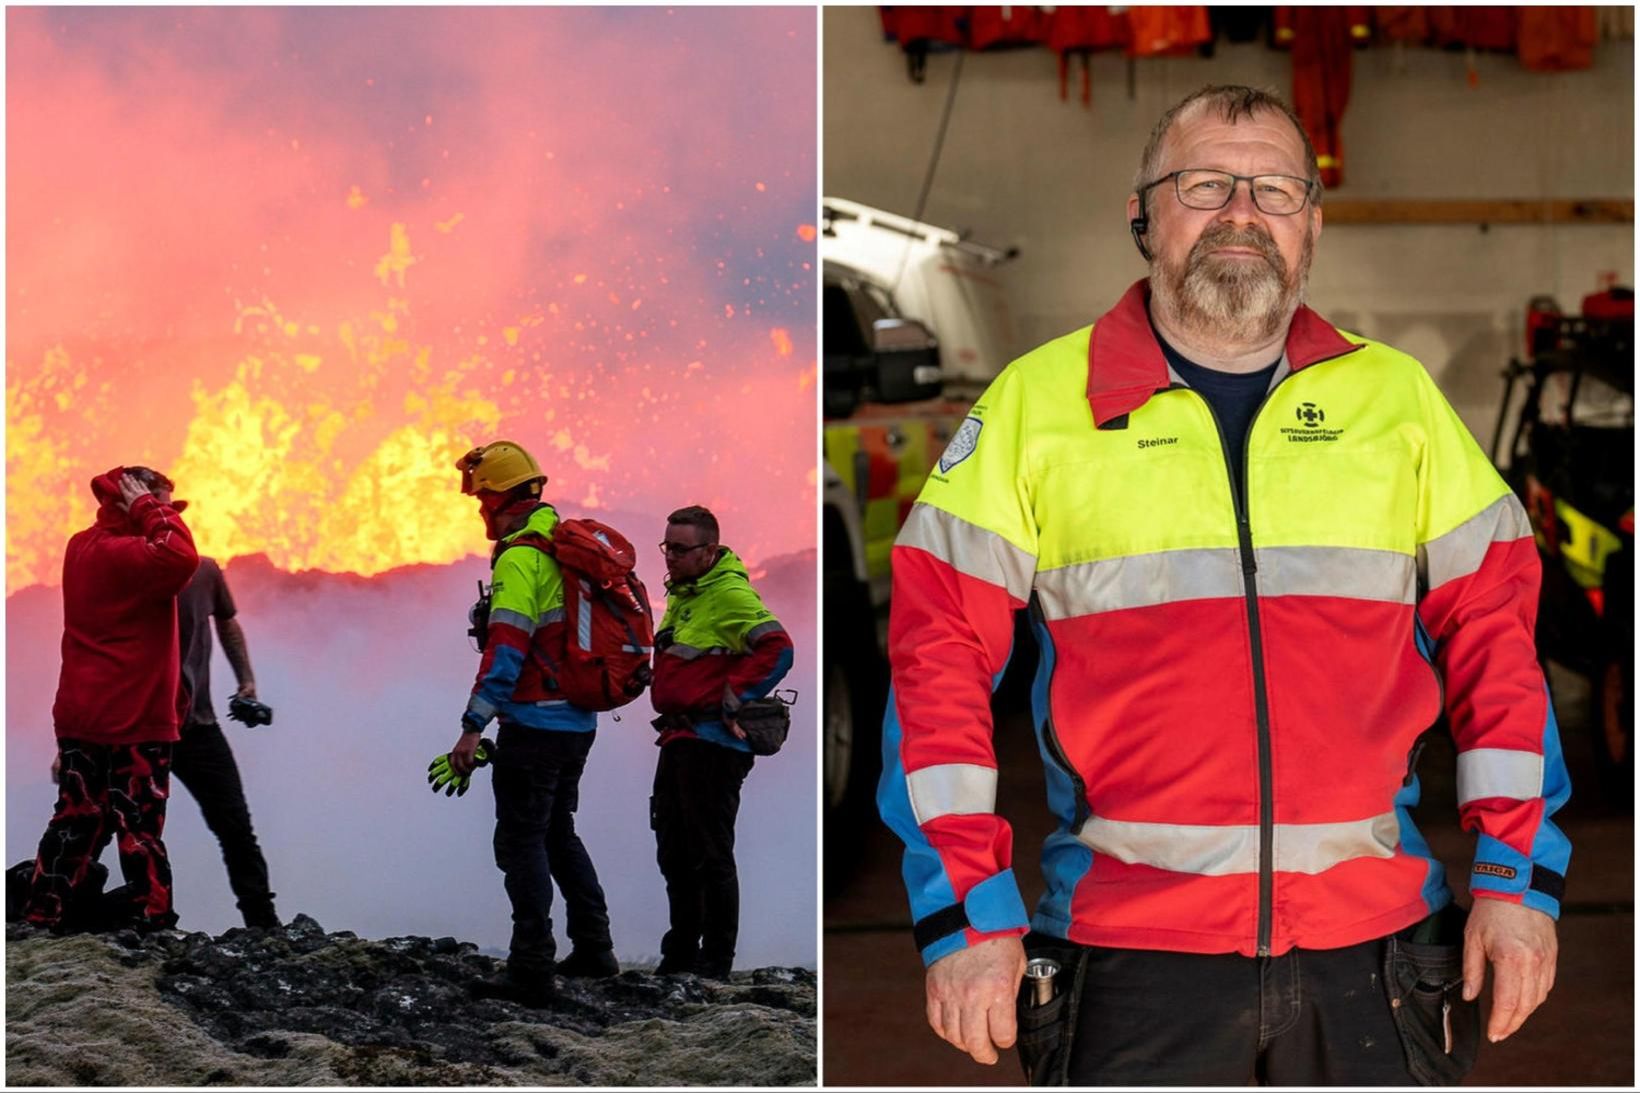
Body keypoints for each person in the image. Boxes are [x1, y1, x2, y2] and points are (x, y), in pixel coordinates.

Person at [878, 84, 1568, 1085]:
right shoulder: (1033, 408)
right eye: (1203, 184)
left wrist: (1515, 879)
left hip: (1371, 951)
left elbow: (1497, 646)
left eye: (1275, 189)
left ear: (1310, 227)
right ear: (1142, 217)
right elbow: (932, 662)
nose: (1241, 211)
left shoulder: (1398, 404)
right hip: (1128, 959)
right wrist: (964, 914)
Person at [449, 440, 617, 1007]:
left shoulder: (522, 557)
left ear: (501, 499)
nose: (479, 512)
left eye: (482, 500)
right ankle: (595, 949)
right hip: (577, 724)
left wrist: (473, 725)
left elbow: (506, 648)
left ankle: (531, 970)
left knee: (520, 843)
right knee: (558, 832)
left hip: (535, 728)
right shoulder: (564, 544)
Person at [25, 467, 199, 931]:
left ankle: (43, 913)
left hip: (84, 714)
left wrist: (146, 508)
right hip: (134, 716)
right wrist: (148, 507)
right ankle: (153, 920)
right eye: (157, 504)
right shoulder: (123, 554)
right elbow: (181, 557)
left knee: (76, 818)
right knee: (139, 823)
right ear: (129, 500)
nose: (165, 516)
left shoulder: (82, 547)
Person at [649, 505, 793, 979]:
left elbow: (778, 646)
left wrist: (734, 700)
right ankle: (680, 957)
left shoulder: (728, 594)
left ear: (709, 551)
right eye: (667, 546)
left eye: (680, 548)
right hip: (681, 738)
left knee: (709, 850)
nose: (670, 556)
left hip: (711, 744)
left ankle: (714, 964)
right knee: (675, 848)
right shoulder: (688, 594)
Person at [174, 547, 280, 929]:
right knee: (123, 824)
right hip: (140, 726)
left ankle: (264, 925)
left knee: (235, 826)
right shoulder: (125, 570)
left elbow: (227, 621)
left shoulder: (202, 570)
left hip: (197, 725)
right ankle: (147, 922)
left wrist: (245, 678)